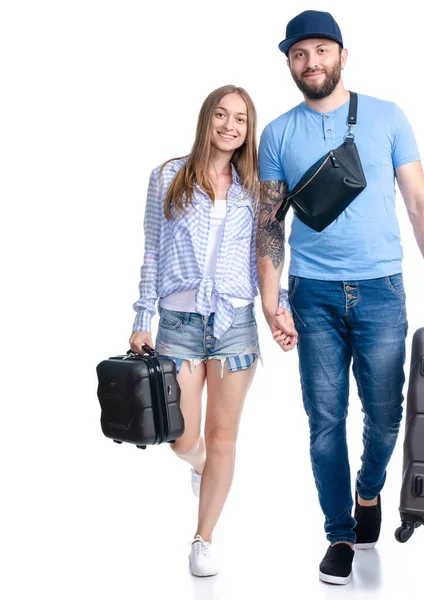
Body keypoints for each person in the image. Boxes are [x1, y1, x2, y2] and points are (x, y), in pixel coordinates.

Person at [257, 11, 424, 585]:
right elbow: (270, 225)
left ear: (343, 55)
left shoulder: (388, 117)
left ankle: (369, 491)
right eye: (299, 54)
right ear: (290, 63)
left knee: (388, 415)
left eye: (321, 50)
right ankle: (339, 532)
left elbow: (420, 202)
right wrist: (273, 301)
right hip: (312, 294)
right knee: (324, 420)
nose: (311, 62)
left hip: (382, 291)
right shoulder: (277, 133)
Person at [129, 85, 280, 577]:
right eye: (221, 114)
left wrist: (281, 309)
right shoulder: (167, 177)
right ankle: (200, 468)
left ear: (248, 129)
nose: (230, 125)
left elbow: (272, 257)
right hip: (179, 324)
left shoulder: (256, 188)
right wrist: (141, 320)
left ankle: (203, 537)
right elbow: (152, 251)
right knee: (181, 436)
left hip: (235, 325)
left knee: (223, 438)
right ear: (206, 119)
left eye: (240, 118)